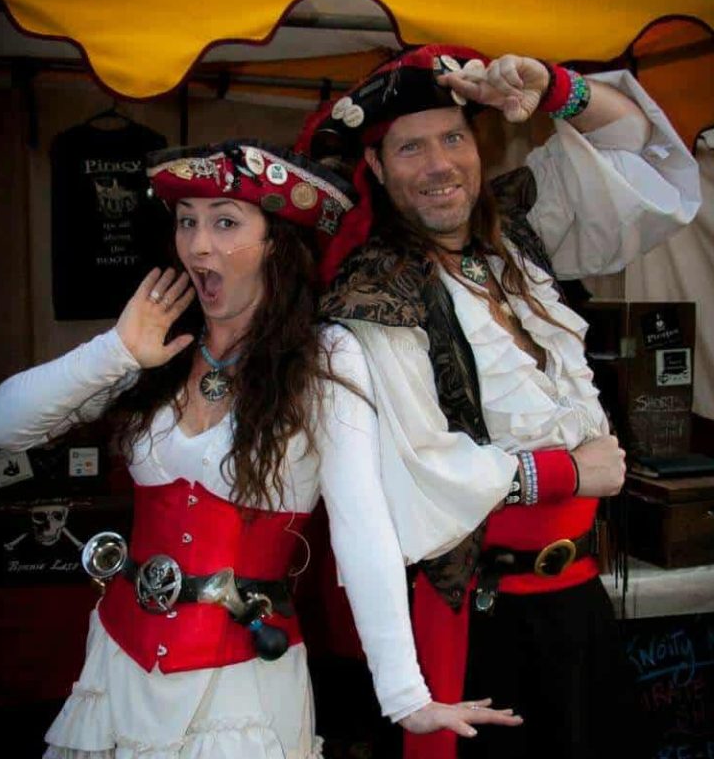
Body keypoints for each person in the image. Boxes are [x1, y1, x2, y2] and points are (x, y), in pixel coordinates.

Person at [0, 139, 522, 759]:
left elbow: (362, 524)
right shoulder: (159, 346)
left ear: (276, 246)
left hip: (240, 683)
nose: (198, 246)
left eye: (225, 223)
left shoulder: (326, 358)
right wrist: (117, 352)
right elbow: (0, 428)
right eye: (187, 222)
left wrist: (405, 695)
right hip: (118, 665)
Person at [297, 46, 701, 759]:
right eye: (411, 148)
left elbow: (633, 147)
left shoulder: (514, 231)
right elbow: (415, 473)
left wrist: (556, 89)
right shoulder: (375, 293)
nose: (439, 164)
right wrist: (567, 473)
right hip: (479, 618)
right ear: (377, 168)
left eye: (453, 137)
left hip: (578, 598)